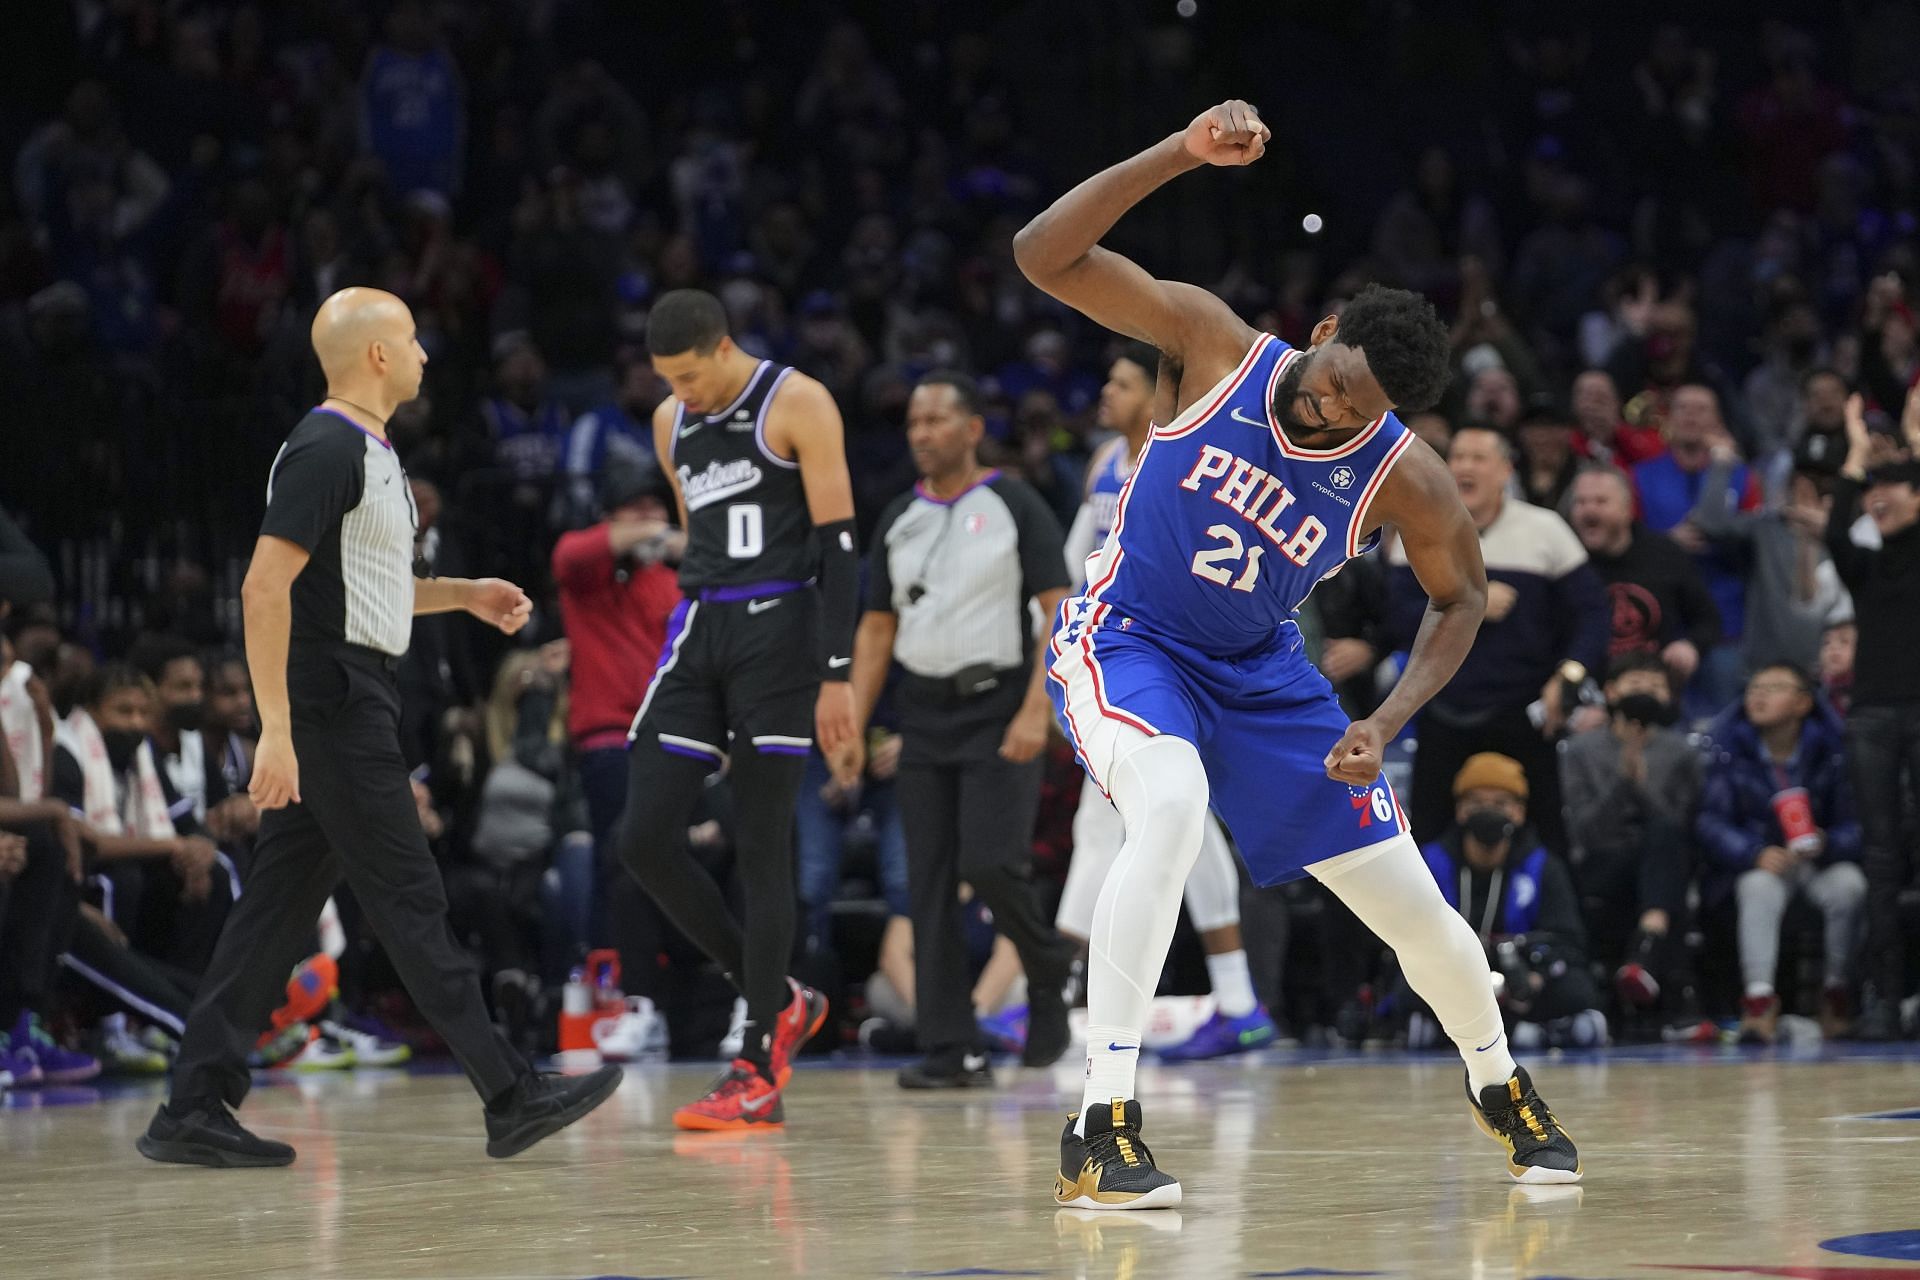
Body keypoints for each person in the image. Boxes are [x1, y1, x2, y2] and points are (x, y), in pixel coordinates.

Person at [1014, 100, 1580, 1210]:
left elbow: (1459, 598)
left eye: (1358, 414)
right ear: (1322, 331)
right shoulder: (1213, 342)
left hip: (1264, 675)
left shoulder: (1401, 472)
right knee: (1168, 805)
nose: (1329, 416)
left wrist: (1389, 717)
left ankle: (1500, 1082)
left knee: (1415, 907)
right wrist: (1177, 154)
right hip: (1129, 638)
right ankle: (1102, 1118)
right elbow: (1045, 253)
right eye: (1331, 386)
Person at [140, 287, 620, 1170]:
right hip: (331, 700)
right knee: (410, 896)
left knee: (275, 916)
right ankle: (510, 1093)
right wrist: (275, 729)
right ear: (375, 356)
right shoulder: (328, 445)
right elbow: (261, 588)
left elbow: (365, 591)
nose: (426, 355)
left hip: (353, 688)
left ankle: (192, 1105)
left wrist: (464, 598)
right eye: (411, 339)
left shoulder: (373, 452)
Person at [613, 288, 858, 1130]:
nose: (682, 393)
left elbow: (840, 548)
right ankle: (778, 995)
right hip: (702, 624)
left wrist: (838, 675)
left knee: (762, 847)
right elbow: (698, 531)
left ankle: (757, 1060)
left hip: (781, 630)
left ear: (724, 348)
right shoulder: (670, 423)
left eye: (690, 375)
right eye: (666, 380)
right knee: (642, 835)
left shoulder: (796, 401)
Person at [843, 371, 1076, 1088]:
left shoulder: (1012, 503)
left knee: (989, 862)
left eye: (938, 420)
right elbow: (878, 630)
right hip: (923, 713)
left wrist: (1039, 707)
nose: (921, 433)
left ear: (974, 429)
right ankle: (952, 1049)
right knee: (929, 884)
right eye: (914, 421)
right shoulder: (896, 519)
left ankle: (1045, 966)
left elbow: (1058, 607)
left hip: (999, 704)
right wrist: (852, 722)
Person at [1057, 344, 1276, 1060]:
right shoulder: (1101, 466)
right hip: (1112, 651)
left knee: (1116, 822)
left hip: (1172, 655)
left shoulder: (1185, 457)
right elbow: (1073, 567)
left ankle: (1055, 993)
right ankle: (1237, 997)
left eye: (1120, 382)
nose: (1106, 394)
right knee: (1182, 826)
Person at [1389, 426, 1609, 855]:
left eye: (1479, 458)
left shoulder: (1545, 530)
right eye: (1459, 457)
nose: (1466, 467)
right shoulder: (1421, 526)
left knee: (1548, 840)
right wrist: (1467, 603)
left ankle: (1555, 919)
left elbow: (1593, 613)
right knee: (1426, 841)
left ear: (1506, 470)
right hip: (1443, 706)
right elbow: (1397, 619)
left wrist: (1569, 673)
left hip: (1526, 710)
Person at [550, 457, 684, 1053]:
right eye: (638, 509)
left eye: (658, 508)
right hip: (608, 740)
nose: (651, 519)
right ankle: (630, 997)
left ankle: (652, 996)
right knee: (620, 865)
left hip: (671, 742)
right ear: (612, 516)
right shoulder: (588, 572)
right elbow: (569, 554)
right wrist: (656, 533)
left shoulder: (670, 580)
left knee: (650, 866)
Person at [1696, 663, 1862, 1043]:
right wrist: (1754, 852)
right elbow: (1709, 822)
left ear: (1803, 702)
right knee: (1757, 887)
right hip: (1763, 862)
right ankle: (1758, 1002)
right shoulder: (1727, 749)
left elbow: (1860, 825)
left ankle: (1836, 994)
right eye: (1754, 687)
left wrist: (1828, 841)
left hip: (1820, 861)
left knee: (1850, 886)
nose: (1758, 695)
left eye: (1773, 687)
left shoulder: (1834, 750)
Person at [1825, 392, 1920, 1039]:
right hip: (1874, 717)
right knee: (1882, 857)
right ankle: (1885, 999)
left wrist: (1912, 438)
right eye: (1871, 491)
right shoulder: (1866, 565)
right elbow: (1836, 528)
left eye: (1893, 490)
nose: (1876, 500)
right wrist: (1856, 452)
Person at [1409, 754, 1603, 1051]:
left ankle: (1473, 1035)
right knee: (1407, 987)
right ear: (1460, 810)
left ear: (1519, 812)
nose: (1488, 811)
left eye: (1500, 804)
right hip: (1453, 980)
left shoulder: (1542, 865)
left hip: (1523, 974)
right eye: (1476, 803)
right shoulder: (1430, 862)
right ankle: (1528, 1034)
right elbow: (1411, 936)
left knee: (1578, 987)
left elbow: (1569, 939)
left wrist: (1534, 973)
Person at [1558, 653, 1702, 1027]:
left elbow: (1682, 827)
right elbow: (1585, 831)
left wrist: (1640, 787)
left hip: (1661, 863)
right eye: (1637, 684)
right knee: (1662, 857)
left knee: (1665, 837)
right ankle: (1648, 952)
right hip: (1603, 861)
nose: (1647, 693)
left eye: (1657, 686)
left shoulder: (1680, 753)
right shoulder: (1580, 751)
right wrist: (1623, 781)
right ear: (1611, 691)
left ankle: (1645, 956)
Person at [1564, 464, 1721, 680]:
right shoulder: (1565, 561)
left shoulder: (1664, 553)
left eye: (1601, 501)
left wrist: (1690, 645)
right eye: (1580, 502)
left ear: (1627, 509)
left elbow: (1707, 620)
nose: (1589, 511)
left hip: (1654, 685)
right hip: (1585, 688)